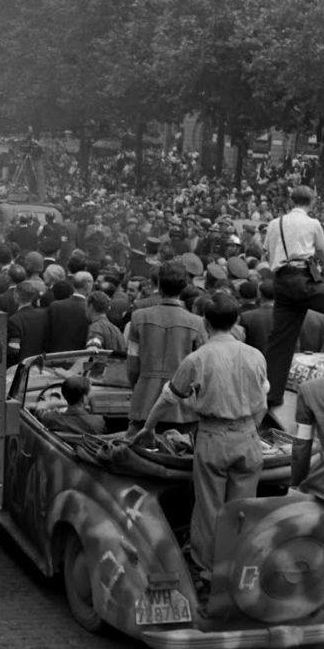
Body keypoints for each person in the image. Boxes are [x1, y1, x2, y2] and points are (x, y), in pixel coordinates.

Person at [132, 292, 268, 582]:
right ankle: (240, 571)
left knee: (209, 510)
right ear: (236, 322)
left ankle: (208, 574)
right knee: (243, 510)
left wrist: (149, 427)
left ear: (205, 323)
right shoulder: (256, 355)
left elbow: (168, 398)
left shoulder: (198, 359)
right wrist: (248, 429)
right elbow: (263, 404)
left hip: (213, 438)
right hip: (248, 439)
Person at [127, 261, 206, 435]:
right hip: (183, 408)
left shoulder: (138, 318)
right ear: (183, 288)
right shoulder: (197, 323)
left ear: (159, 286)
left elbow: (133, 365)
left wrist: (139, 387)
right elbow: (201, 372)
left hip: (144, 402)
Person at [262, 185, 324, 407]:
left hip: (281, 281)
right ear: (313, 201)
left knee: (281, 340)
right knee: (281, 339)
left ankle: (271, 396)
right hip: (303, 279)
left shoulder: (273, 223)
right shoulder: (313, 224)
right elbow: (321, 251)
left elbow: (268, 251)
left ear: (290, 200)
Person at [34, 376, 106, 435]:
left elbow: (40, 406)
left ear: (65, 396)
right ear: (84, 398)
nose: (92, 395)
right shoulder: (98, 422)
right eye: (90, 392)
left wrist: (56, 402)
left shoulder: (52, 419)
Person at [45, 271, 91, 351]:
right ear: (88, 285)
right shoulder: (90, 309)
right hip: (79, 357)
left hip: (54, 356)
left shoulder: (55, 306)